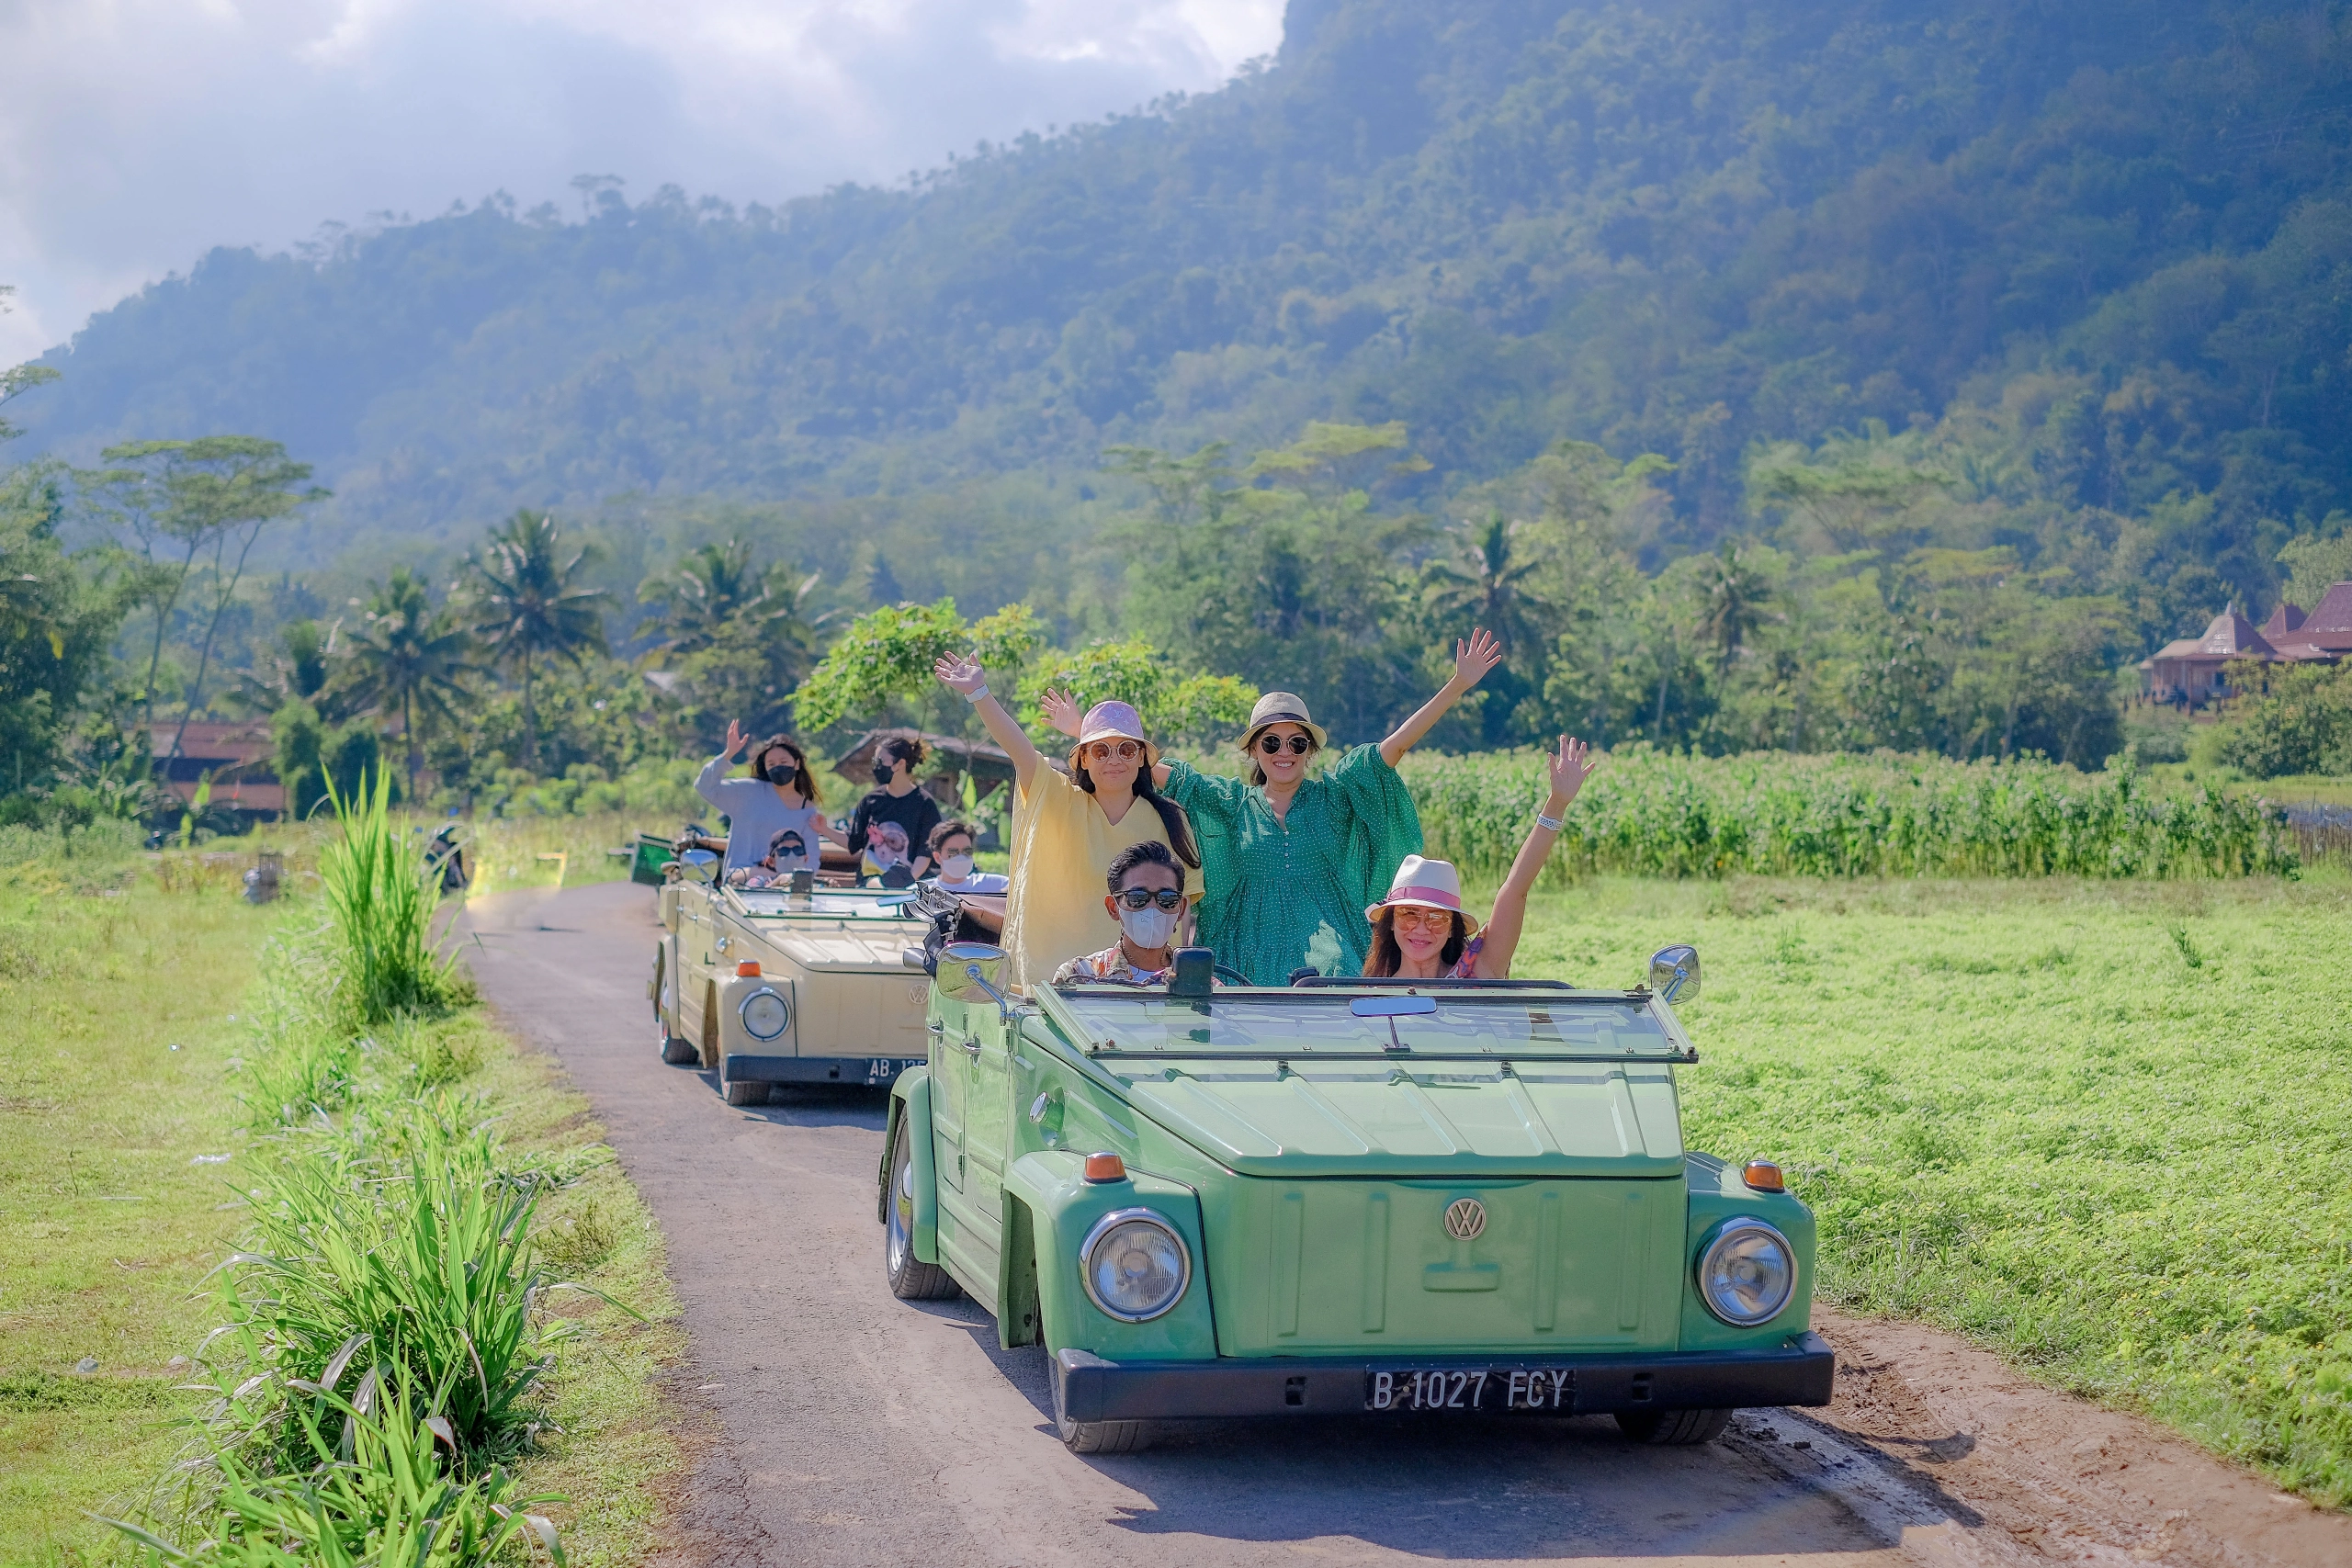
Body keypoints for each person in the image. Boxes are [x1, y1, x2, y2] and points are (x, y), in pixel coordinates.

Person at [1044, 630, 1504, 985]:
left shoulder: (1337, 796)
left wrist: (1457, 685)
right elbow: (1136, 761)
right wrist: (1083, 732)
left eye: (1297, 741)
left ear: (1310, 750)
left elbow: (1394, 749)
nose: (1285, 751)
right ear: (1254, 750)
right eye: (1272, 741)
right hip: (1240, 956)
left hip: (1332, 958)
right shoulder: (1227, 804)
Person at [932, 656, 1200, 989]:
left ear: (1142, 757)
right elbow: (1019, 750)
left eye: (1126, 750)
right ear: (1083, 759)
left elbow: (1182, 911)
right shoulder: (1059, 800)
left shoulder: (1170, 818)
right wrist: (979, 692)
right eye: (1101, 751)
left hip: (1143, 987)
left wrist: (1185, 981)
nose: (1114, 760)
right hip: (1051, 988)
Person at [1363, 736, 1596, 979]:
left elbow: (1516, 889)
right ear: (1390, 922)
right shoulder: (1371, 995)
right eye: (1409, 915)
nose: (1421, 929)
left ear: (1452, 929)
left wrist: (1557, 804)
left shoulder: (1478, 973)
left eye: (1437, 918)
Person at [696, 724, 845, 878]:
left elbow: (811, 860)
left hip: (783, 886)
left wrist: (794, 881)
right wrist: (728, 754)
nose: (778, 767)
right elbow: (705, 786)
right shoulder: (747, 792)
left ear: (797, 763)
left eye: (783, 762)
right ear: (765, 768)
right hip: (740, 880)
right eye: (771, 764)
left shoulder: (807, 811)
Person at [1052, 840, 1192, 986]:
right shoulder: (1079, 977)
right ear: (1113, 907)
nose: (1152, 908)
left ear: (1181, 909)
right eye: (1137, 897)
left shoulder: (1201, 983)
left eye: (1167, 898)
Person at [848, 736, 944, 886]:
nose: (876, 766)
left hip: (908, 886)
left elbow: (926, 852)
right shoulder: (870, 800)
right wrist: (823, 829)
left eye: (880, 761)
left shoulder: (924, 804)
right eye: (875, 761)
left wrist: (905, 880)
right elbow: (853, 841)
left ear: (900, 764)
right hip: (870, 884)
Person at [925, 819, 1008, 895]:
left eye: (967, 851)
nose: (961, 857)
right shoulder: (923, 892)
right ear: (937, 857)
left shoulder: (993, 885)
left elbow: (1019, 885)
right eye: (953, 852)